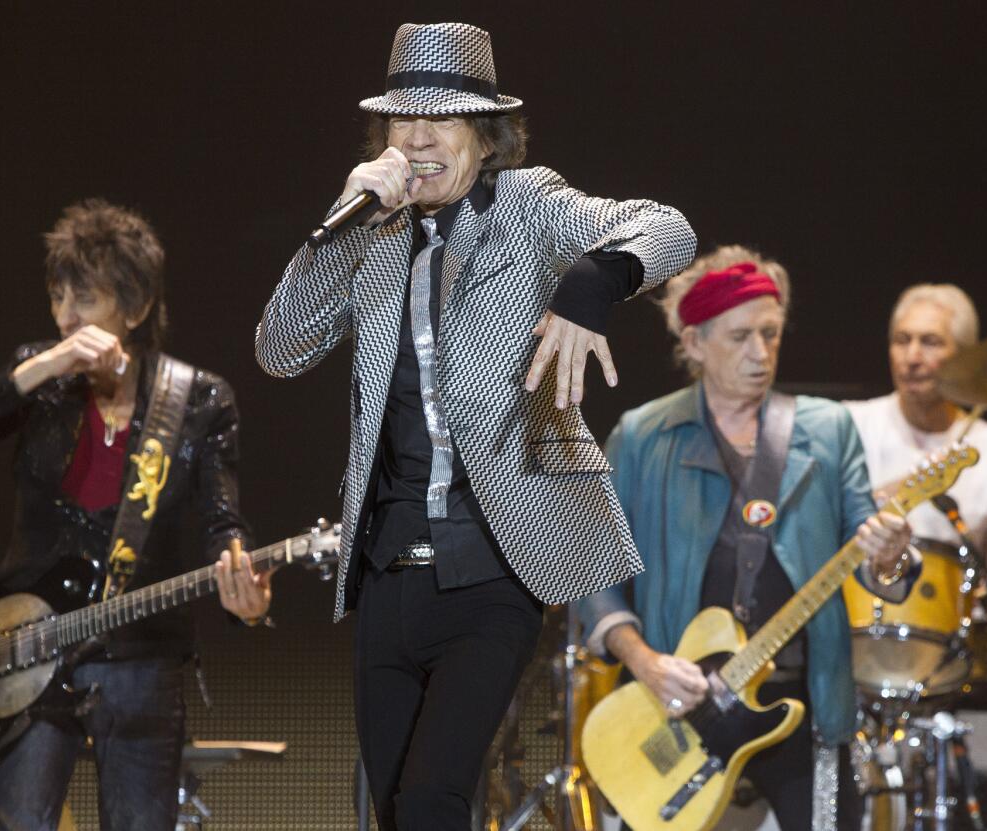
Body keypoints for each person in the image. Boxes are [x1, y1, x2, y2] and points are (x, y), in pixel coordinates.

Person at [255, 22, 695, 831]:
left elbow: (668, 227)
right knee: (392, 809)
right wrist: (345, 214)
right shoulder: (373, 231)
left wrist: (590, 284)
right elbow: (279, 348)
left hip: (492, 569)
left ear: (485, 138)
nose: (417, 140)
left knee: (433, 798)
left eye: (441, 121)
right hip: (387, 571)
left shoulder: (528, 206)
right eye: (401, 121)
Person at [0, 199, 270, 831]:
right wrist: (41, 367)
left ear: (134, 309)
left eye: (84, 300)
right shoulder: (43, 377)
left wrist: (243, 592)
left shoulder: (197, 398)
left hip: (139, 651)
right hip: (29, 650)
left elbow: (224, 520)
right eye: (57, 298)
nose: (64, 318)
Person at [579, 246, 915, 830]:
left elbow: (875, 557)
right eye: (739, 337)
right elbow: (592, 570)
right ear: (694, 344)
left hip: (802, 701)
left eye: (771, 334)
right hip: (677, 706)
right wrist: (646, 661)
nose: (761, 354)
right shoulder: (642, 436)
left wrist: (889, 555)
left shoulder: (829, 429)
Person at [845, 283, 987, 582]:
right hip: (858, 614)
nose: (912, 357)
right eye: (902, 340)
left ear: (966, 357)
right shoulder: (849, 424)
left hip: (955, 621)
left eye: (930, 342)